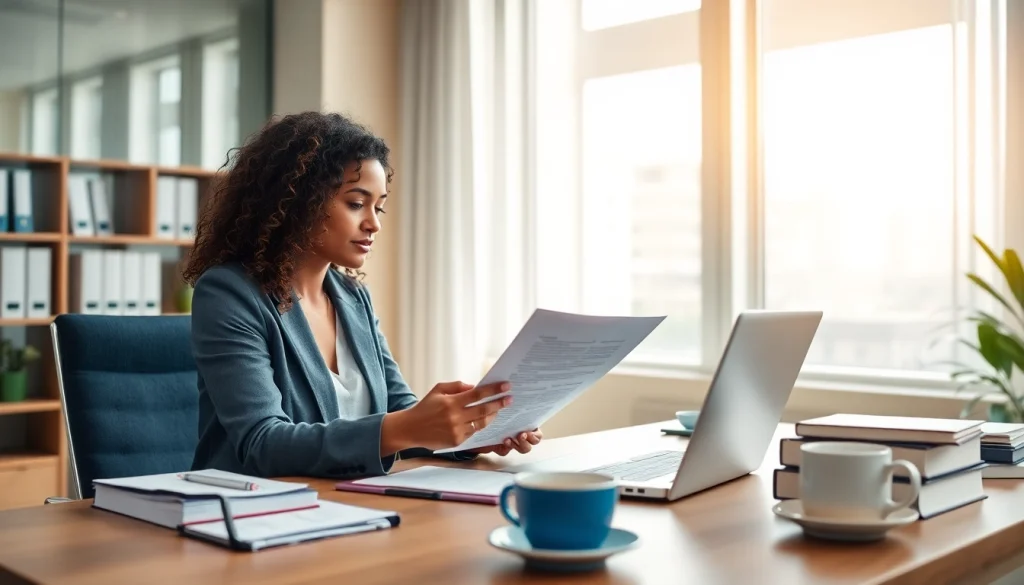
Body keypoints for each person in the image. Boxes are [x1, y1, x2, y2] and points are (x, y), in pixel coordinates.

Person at [182, 111, 542, 478]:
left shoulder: (353, 297)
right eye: (356, 203)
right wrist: (409, 426)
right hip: (253, 513)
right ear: (295, 201)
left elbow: (400, 410)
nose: (374, 223)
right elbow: (263, 443)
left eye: (379, 206)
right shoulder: (229, 293)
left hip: (347, 505)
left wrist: (467, 434)